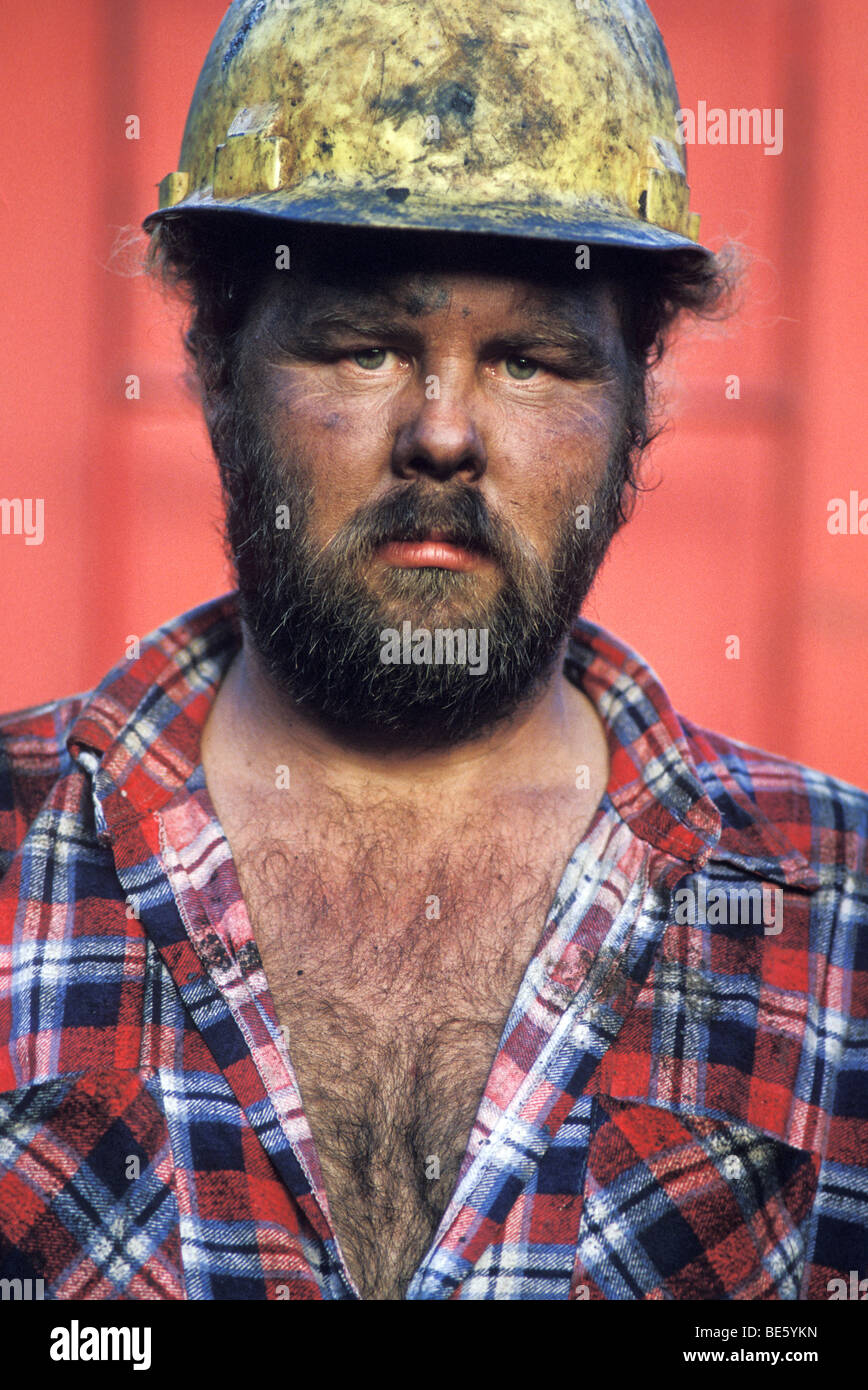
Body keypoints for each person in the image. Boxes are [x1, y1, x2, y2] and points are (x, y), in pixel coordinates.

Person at [0, 0, 865, 1303]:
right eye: (364, 347)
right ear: (218, 369)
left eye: (529, 361)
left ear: (639, 415)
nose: (445, 435)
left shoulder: (838, 910)